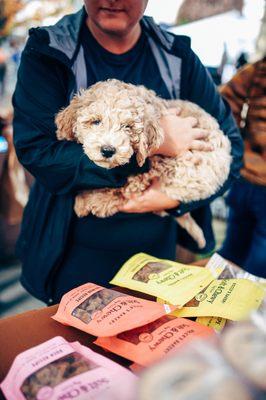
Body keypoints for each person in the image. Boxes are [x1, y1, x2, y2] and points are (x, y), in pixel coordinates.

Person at [12, 0, 243, 304]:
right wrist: (155, 146)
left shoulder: (177, 55)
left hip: (160, 255)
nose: (112, 0)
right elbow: (38, 153)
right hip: (71, 256)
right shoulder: (49, 50)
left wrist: (173, 201)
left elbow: (232, 149)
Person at [219, 56, 266, 277]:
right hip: (248, 178)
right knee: (257, 265)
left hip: (245, 174)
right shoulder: (258, 69)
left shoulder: (258, 68)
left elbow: (224, 106)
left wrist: (239, 146)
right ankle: (243, 310)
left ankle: (217, 308)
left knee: (232, 253)